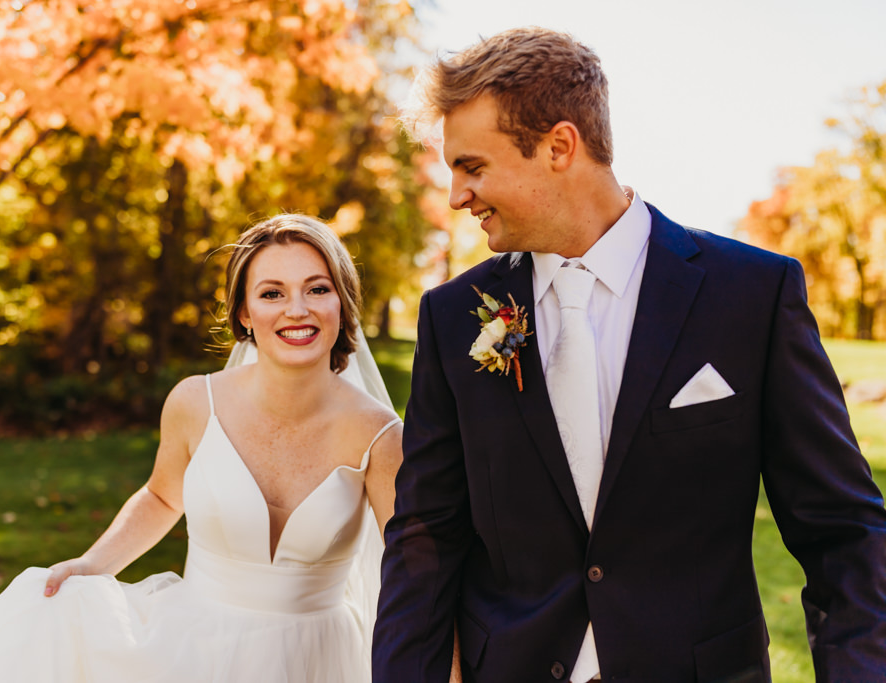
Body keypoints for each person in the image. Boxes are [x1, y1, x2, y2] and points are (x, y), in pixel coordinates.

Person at [373, 26, 886, 683]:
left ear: (560, 146)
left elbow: (842, 530)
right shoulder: (453, 318)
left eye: (472, 166)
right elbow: (426, 538)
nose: (456, 195)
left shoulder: (751, 296)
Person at [0, 214, 404, 683]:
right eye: (272, 293)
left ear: (342, 303)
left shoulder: (380, 435)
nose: (296, 309)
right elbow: (162, 497)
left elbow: (411, 566)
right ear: (244, 313)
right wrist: (92, 565)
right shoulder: (196, 403)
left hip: (321, 661)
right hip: (195, 651)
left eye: (317, 289)